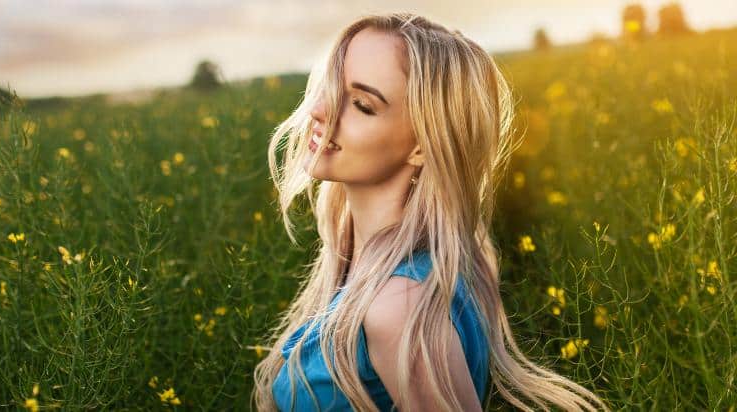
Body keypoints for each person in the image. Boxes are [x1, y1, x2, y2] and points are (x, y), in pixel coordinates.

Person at [253, 11, 611, 412]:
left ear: (422, 145)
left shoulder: (398, 305)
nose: (321, 109)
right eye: (329, 85)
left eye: (360, 104)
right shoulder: (399, 272)